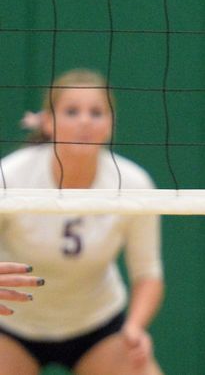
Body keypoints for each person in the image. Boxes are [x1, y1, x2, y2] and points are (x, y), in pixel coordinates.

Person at [0, 69, 166, 375]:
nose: (85, 122)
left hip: (96, 326)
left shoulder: (133, 184)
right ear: (48, 122)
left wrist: (134, 327)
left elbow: (148, 273)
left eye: (96, 112)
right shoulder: (10, 177)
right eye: (72, 111)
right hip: (11, 326)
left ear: (110, 124)